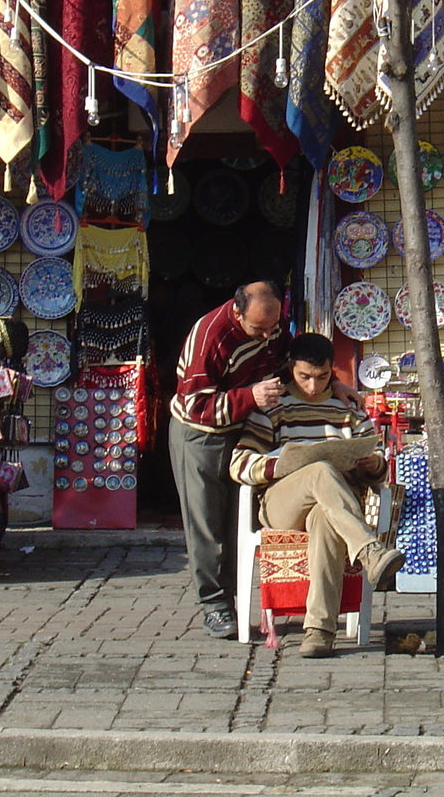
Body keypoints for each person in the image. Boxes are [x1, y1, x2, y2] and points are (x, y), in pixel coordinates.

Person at [231, 332, 405, 658]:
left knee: (326, 518)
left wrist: (371, 463)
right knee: (321, 470)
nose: (313, 386)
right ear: (290, 369)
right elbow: (239, 465)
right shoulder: (274, 407)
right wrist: (278, 466)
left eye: (322, 377)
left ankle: (320, 631)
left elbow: (380, 470)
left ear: (332, 370)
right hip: (283, 504)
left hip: (333, 507)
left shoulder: (348, 408)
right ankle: (369, 551)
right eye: (305, 378)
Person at [169, 280, 290, 638]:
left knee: (241, 520)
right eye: (258, 329)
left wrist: (333, 382)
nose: (267, 335)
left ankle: (237, 601)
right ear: (237, 312)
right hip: (202, 435)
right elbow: (197, 405)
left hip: (244, 430)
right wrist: (250, 396)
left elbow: (286, 360)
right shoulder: (210, 335)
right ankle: (214, 606)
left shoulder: (273, 326)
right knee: (206, 524)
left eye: (272, 327)